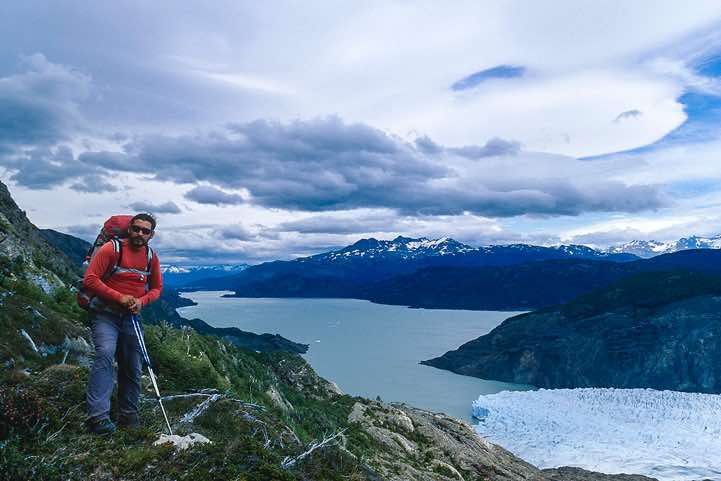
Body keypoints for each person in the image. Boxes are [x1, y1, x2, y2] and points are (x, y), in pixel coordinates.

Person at [84, 213, 163, 434]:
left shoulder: (150, 256)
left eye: (145, 231)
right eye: (136, 229)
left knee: (132, 365)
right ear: (129, 229)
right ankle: (98, 417)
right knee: (105, 354)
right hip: (105, 314)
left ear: (151, 234)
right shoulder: (112, 249)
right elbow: (90, 278)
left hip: (131, 317)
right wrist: (120, 297)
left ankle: (128, 415)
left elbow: (156, 288)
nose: (140, 234)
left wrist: (141, 301)